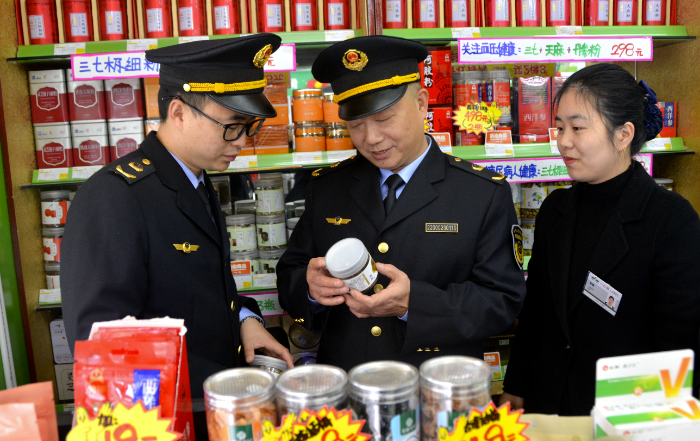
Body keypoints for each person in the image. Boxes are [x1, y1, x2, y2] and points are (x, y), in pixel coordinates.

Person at [61, 35, 294, 397]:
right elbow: (104, 346)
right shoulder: (114, 197)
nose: (241, 141)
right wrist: (226, 387)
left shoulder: (196, 180)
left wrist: (244, 320)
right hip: (169, 416)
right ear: (179, 112)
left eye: (249, 126)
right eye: (232, 125)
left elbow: (204, 289)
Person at [276, 36, 526, 371]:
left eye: (384, 119)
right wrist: (309, 288)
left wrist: (413, 303)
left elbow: (503, 302)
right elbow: (290, 275)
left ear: (421, 103)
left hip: (439, 387)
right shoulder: (328, 187)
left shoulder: (480, 193)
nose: (371, 138)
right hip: (349, 391)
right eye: (356, 124)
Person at [501, 63, 700, 415]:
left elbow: (680, 343)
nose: (563, 141)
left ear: (623, 135)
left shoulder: (670, 219)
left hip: (627, 415)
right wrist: (516, 387)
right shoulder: (555, 209)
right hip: (549, 408)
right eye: (560, 127)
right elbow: (537, 313)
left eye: (578, 127)